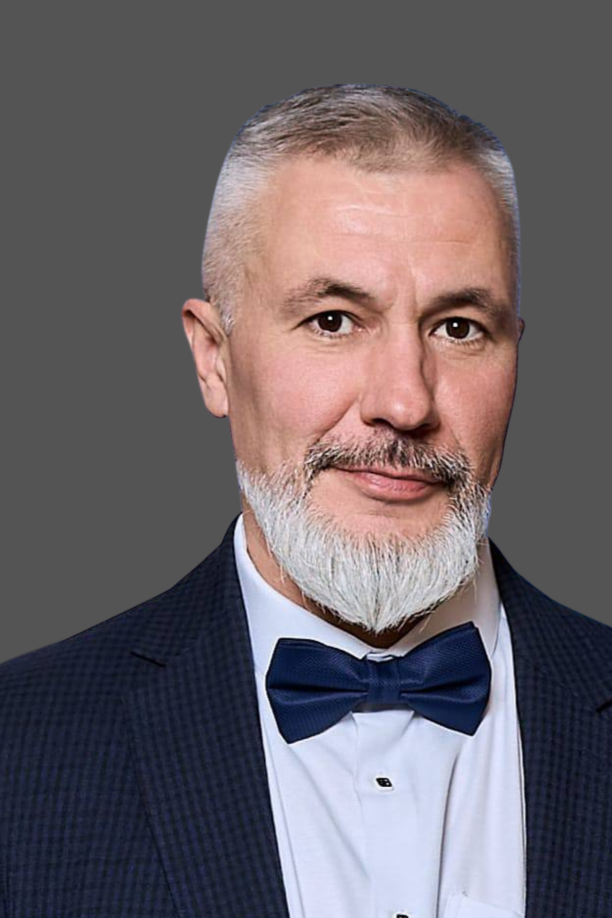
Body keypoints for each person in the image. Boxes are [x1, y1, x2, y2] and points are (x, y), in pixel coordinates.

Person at [0, 85, 610, 918]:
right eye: (333, 320)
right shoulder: (21, 750)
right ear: (214, 359)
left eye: (458, 327)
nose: (405, 402)